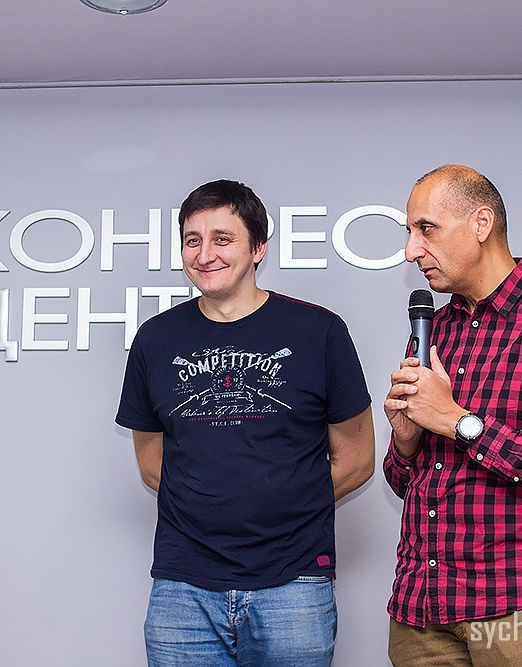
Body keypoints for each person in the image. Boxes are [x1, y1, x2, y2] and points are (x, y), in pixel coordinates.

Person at [116, 179, 375, 666]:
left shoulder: (319, 331)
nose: (204, 254)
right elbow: (152, 463)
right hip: (183, 588)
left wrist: (282, 512)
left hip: (294, 583)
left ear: (259, 248)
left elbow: (357, 460)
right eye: (192, 240)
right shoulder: (155, 339)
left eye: (222, 239)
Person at [383, 165, 522, 666]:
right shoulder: (433, 330)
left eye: (426, 229)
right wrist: (406, 441)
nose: (411, 251)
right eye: (410, 232)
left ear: (481, 223)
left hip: (521, 609)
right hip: (421, 611)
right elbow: (402, 481)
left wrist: (460, 423)